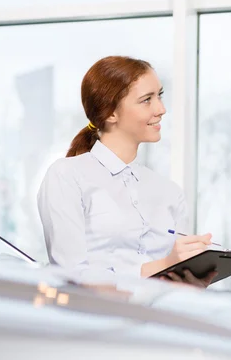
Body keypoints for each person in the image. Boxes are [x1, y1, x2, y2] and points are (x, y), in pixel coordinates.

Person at [38, 56, 216, 287]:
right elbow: (73, 276)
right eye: (146, 100)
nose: (161, 109)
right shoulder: (67, 175)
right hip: (97, 320)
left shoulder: (169, 192)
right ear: (110, 112)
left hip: (160, 320)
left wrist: (191, 282)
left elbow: (175, 279)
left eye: (159, 96)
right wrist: (163, 266)